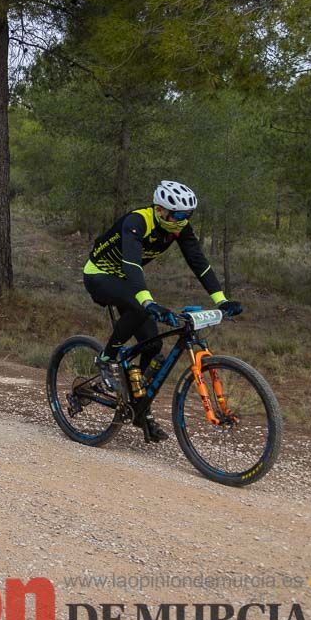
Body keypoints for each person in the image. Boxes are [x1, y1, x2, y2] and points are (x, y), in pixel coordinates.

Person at [84, 180, 240, 442]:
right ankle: (106, 358)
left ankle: (139, 411)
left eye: (188, 215)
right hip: (100, 275)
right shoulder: (137, 221)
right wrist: (148, 302)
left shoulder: (178, 228)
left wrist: (222, 300)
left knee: (152, 347)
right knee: (138, 308)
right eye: (179, 214)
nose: (183, 220)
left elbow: (199, 263)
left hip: (125, 280)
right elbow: (133, 265)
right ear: (160, 210)